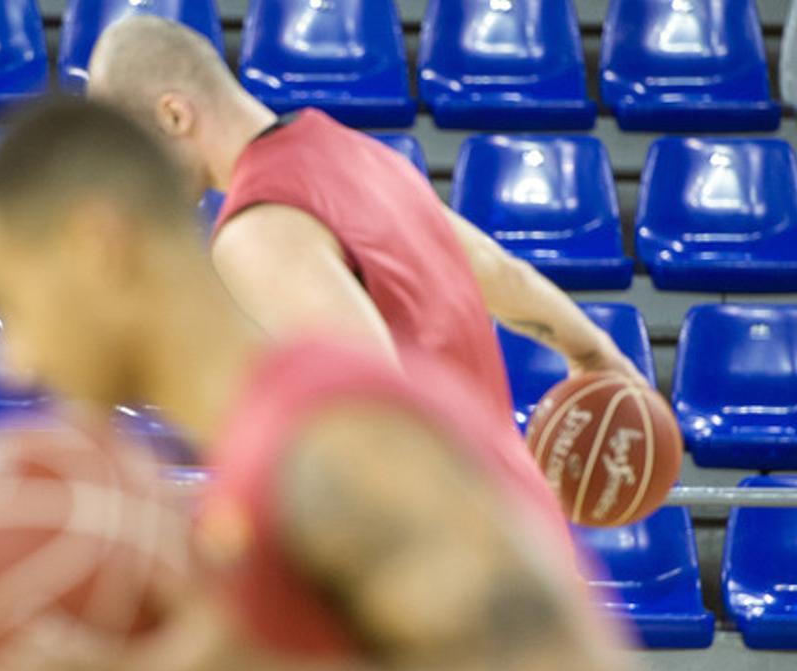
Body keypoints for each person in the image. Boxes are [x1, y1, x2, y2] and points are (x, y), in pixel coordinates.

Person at [0, 98, 631, 671]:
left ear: (98, 246)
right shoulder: (261, 454)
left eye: (10, 299)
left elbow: (561, 660)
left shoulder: (329, 430)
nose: (16, 361)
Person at [86, 16, 644, 421]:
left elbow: (377, 413)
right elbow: (501, 272)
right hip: (511, 525)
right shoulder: (359, 154)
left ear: (174, 114)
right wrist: (593, 352)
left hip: (436, 552)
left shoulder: (257, 228)